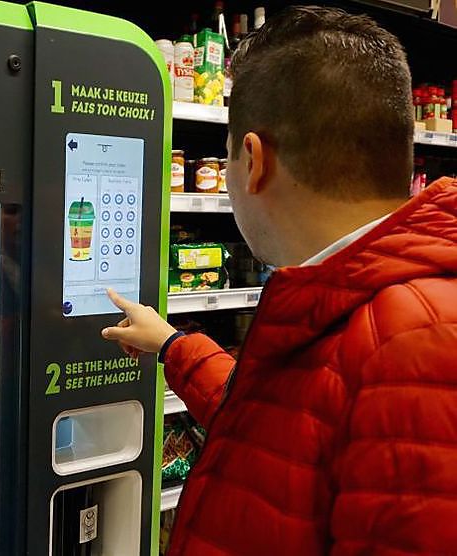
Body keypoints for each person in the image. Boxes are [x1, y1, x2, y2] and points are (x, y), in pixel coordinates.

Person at [102, 6, 457, 554]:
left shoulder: (419, 347)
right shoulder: (359, 305)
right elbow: (285, 425)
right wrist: (172, 344)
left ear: (253, 160)